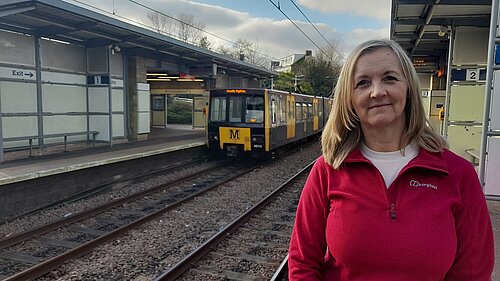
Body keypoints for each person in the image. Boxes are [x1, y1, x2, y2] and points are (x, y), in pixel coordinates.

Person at [288, 39, 494, 280]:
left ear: (409, 90)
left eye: (390, 78)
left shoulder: (458, 174)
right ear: (350, 99)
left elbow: (473, 272)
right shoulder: (328, 169)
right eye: (363, 83)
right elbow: (303, 262)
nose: (377, 91)